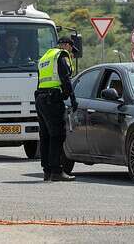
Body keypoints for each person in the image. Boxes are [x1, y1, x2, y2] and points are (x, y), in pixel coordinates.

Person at [35, 37, 78, 182]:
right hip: (52, 99)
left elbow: (40, 80)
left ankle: (47, 171)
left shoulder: (45, 58)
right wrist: (71, 98)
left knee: (45, 135)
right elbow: (65, 78)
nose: (71, 53)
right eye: (71, 49)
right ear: (66, 45)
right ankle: (56, 171)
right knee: (57, 135)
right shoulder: (61, 56)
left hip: (41, 98)